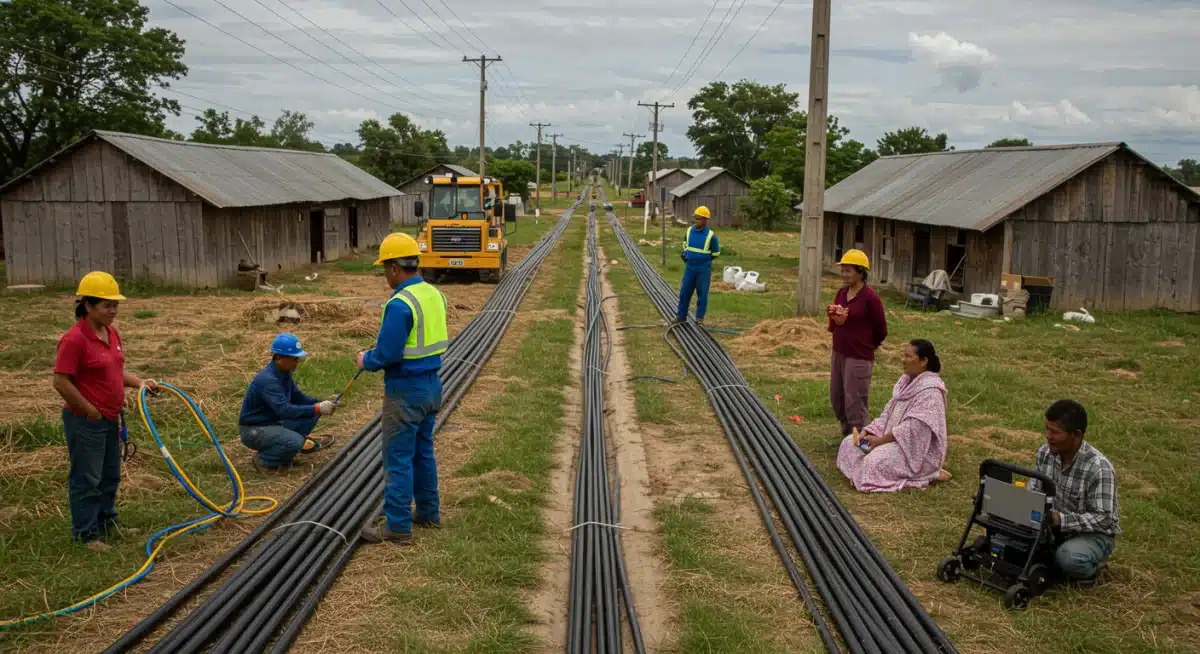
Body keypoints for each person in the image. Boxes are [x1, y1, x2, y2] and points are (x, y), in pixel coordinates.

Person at [52, 271, 160, 550]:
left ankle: (106, 522)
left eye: (115, 305)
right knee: (87, 478)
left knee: (110, 474)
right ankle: (86, 535)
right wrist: (89, 411)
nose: (113, 311)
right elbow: (61, 381)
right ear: (87, 305)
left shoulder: (110, 332)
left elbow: (115, 371)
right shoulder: (74, 340)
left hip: (111, 417)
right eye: (106, 305)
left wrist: (140, 383)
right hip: (86, 421)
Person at [357, 232, 449, 546]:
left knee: (398, 457)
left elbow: (387, 355)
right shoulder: (433, 294)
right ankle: (428, 513)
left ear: (395, 267)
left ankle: (397, 526)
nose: (385, 274)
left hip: (405, 391)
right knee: (423, 452)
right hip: (432, 385)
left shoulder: (400, 303)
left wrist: (364, 360)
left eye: (385, 268)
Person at [837, 339, 948, 492]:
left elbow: (913, 430)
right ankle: (861, 470)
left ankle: (929, 472)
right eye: (904, 355)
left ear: (924, 361)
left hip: (912, 450)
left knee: (872, 462)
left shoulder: (931, 392)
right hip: (889, 438)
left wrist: (880, 441)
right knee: (849, 443)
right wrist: (869, 431)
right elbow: (888, 414)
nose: (903, 360)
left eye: (909, 357)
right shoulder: (905, 382)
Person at [1029, 400, 1120, 582]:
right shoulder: (1045, 453)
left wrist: (1059, 520)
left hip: (1091, 535)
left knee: (1069, 558)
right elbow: (1034, 489)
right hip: (1051, 528)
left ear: (1076, 435)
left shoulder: (1099, 468)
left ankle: (1095, 569)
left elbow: (1104, 519)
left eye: (1055, 432)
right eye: (1047, 429)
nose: (1048, 436)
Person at [238, 333, 337, 472]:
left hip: (272, 423)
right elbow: (284, 410)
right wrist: (317, 408)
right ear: (279, 358)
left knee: (312, 413)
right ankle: (264, 461)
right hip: (253, 429)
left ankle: (283, 454)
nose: (297, 362)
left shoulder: (284, 375)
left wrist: (321, 403)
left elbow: (299, 398)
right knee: (295, 441)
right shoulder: (268, 380)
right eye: (294, 359)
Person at [827, 249, 887, 436]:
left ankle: (858, 438)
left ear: (861, 272)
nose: (844, 275)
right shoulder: (842, 293)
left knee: (855, 399)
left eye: (848, 271)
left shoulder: (871, 298)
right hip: (839, 351)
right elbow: (835, 321)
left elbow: (881, 330)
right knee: (837, 396)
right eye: (842, 270)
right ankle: (846, 435)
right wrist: (835, 318)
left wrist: (868, 345)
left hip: (859, 354)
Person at [673, 206, 721, 327]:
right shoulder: (689, 231)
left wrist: (703, 260)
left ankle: (699, 319)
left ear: (705, 220)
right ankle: (681, 316)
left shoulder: (711, 236)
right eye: (695, 218)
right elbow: (685, 243)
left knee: (702, 294)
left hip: (703, 270)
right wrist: (686, 253)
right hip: (690, 268)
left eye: (698, 218)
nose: (695, 220)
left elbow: (715, 253)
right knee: (685, 292)